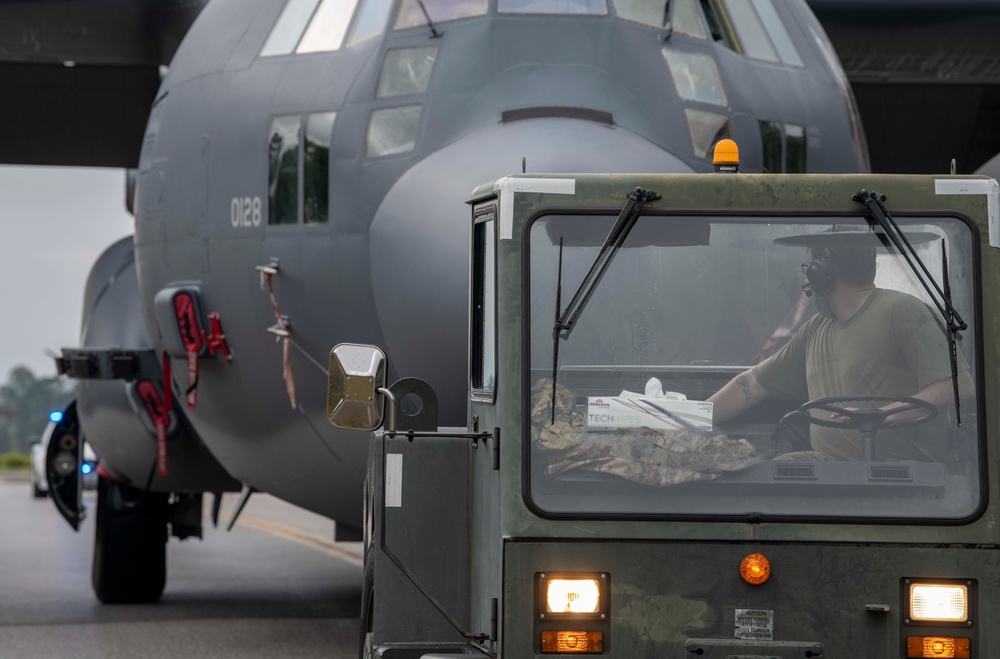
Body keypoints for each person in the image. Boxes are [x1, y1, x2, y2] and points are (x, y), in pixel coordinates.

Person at [707, 230, 973, 462]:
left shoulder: (902, 310)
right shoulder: (815, 329)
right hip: (832, 468)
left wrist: (883, 415)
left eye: (809, 264)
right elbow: (752, 383)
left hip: (900, 476)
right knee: (759, 478)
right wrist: (686, 420)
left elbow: (959, 385)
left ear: (820, 272)